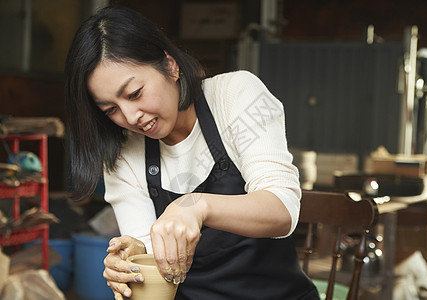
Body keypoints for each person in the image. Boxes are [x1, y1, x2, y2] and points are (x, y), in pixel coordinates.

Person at [65, 5, 319, 300]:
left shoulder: (235, 95)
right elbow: (152, 262)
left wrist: (197, 206)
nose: (131, 116)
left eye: (134, 94)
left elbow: (282, 210)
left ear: (170, 65)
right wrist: (134, 260)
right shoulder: (123, 153)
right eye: (111, 109)